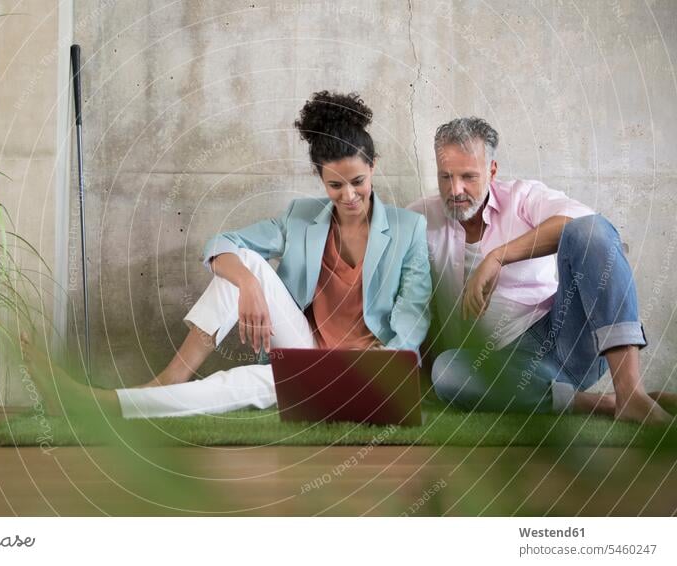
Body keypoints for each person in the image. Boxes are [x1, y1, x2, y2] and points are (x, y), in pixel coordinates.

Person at [23, 91, 432, 419]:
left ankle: (116, 404)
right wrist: (249, 284)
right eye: (335, 186)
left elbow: (414, 315)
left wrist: (383, 364)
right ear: (320, 179)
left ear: (374, 166)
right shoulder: (301, 218)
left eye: (357, 182)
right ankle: (168, 381)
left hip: (369, 372)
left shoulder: (406, 228)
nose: (348, 196)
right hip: (307, 352)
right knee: (244, 264)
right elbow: (219, 244)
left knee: (252, 382)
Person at [409, 116, 675, 425]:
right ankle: (609, 403)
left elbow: (586, 227)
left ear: (492, 171)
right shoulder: (419, 218)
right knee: (446, 373)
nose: (455, 190)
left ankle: (631, 390)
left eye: (468, 176)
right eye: (445, 177)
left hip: (566, 340)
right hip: (496, 367)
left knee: (590, 232)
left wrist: (498, 257)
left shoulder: (523, 197)